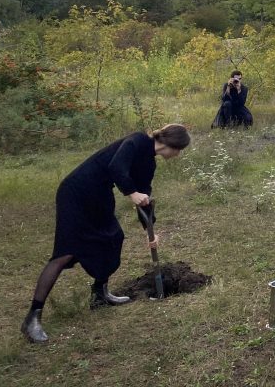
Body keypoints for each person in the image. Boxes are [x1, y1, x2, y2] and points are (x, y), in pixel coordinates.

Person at [21, 123, 192, 344]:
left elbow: (145, 198)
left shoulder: (149, 163)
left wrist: (150, 231)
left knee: (113, 238)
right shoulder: (138, 141)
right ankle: (32, 317)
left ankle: (99, 294)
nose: (177, 155)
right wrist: (131, 193)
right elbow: (116, 166)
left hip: (99, 195)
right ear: (172, 144)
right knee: (65, 252)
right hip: (77, 192)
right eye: (179, 150)